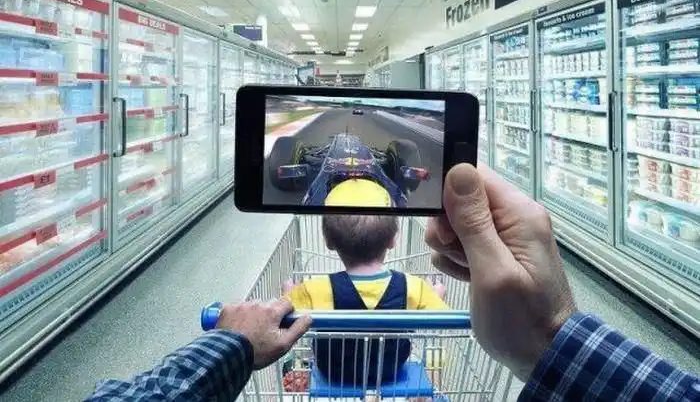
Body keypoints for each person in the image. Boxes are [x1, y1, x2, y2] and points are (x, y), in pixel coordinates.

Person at [85, 163, 700, 401]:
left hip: (330, 378)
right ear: (393, 241)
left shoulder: (311, 293)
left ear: (328, 243)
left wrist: (265, 324)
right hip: (397, 373)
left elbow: (282, 321)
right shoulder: (418, 291)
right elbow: (446, 320)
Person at [281, 214, 448, 386]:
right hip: (389, 370)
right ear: (392, 241)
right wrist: (436, 295)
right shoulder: (413, 286)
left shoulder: (315, 288)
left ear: (328, 241)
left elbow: (285, 314)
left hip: (333, 371)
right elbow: (441, 316)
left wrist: (289, 292)